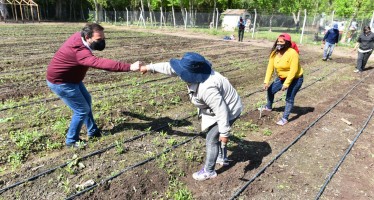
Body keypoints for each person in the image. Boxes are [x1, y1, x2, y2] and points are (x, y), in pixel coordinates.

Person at [139, 52, 243, 181]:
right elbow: (170, 68)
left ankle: (209, 171)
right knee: (217, 135)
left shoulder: (208, 88)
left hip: (230, 110)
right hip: (220, 107)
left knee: (212, 138)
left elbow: (221, 111)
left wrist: (225, 133)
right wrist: (149, 67)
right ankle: (222, 157)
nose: (179, 73)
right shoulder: (196, 72)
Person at [46, 23, 141, 148]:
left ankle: (93, 131)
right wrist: (129, 67)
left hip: (73, 79)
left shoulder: (79, 37)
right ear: (87, 37)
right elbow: (100, 63)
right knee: (81, 110)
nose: (102, 41)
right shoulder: (79, 52)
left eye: (103, 38)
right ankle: (71, 141)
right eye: (98, 39)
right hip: (61, 82)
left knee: (87, 101)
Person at [262, 33, 304, 126]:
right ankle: (268, 107)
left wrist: (286, 84)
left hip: (296, 78)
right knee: (270, 90)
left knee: (289, 98)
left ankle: (285, 118)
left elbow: (294, 70)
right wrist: (266, 81)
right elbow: (270, 68)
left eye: (281, 42)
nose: (279, 43)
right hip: (282, 77)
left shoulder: (292, 53)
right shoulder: (274, 53)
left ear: (287, 43)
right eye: (278, 41)